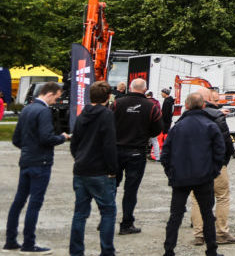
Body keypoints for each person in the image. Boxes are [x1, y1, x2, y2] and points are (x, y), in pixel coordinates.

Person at [5, 81, 69, 253]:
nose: (56, 101)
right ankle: (28, 244)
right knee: (34, 203)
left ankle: (10, 240)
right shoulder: (43, 111)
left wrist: (28, 149)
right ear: (50, 93)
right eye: (57, 97)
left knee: (19, 201)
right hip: (41, 162)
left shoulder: (26, 109)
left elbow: (16, 139)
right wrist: (62, 137)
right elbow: (46, 137)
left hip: (26, 160)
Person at [161, 92, 225, 256]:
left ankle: (169, 250)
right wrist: (213, 171)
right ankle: (211, 250)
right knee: (207, 215)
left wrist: (171, 173)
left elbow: (165, 154)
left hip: (180, 178)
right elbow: (220, 152)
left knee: (175, 216)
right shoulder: (210, 126)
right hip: (203, 178)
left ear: (186, 106)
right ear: (203, 105)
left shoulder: (177, 127)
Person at [68, 80, 119, 256]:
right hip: (100, 172)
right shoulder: (106, 115)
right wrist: (113, 169)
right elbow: (109, 145)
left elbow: (74, 143)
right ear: (108, 97)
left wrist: (80, 158)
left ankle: (76, 251)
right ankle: (107, 251)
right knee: (108, 212)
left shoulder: (82, 115)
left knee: (80, 213)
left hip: (81, 169)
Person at [112, 78, 162, 235]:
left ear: (130, 87)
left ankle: (106, 219)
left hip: (116, 149)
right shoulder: (151, 107)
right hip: (137, 151)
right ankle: (126, 223)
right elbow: (157, 129)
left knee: (111, 186)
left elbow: (107, 123)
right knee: (131, 189)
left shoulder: (117, 103)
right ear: (145, 89)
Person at [190, 88, 235, 246]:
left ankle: (199, 234)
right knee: (222, 197)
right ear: (208, 99)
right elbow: (226, 143)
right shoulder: (217, 116)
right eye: (215, 100)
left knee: (197, 199)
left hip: (195, 165)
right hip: (215, 164)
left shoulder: (185, 118)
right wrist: (223, 161)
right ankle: (221, 233)